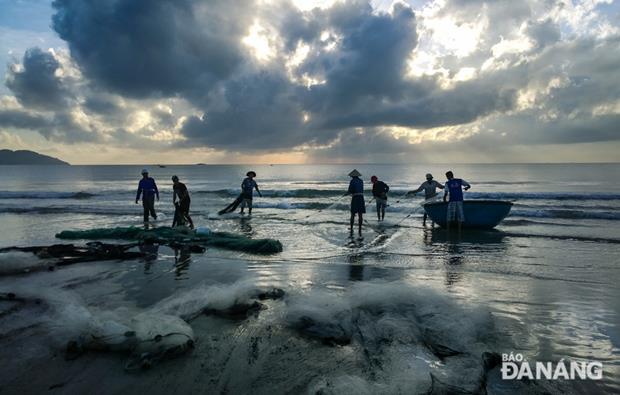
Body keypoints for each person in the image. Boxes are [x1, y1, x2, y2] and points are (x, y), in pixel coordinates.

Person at [346, 169, 365, 237]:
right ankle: (359, 229)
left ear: (353, 176)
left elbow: (350, 190)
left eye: (351, 176)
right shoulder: (361, 181)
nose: (351, 177)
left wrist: (346, 194)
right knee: (360, 214)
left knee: (353, 213)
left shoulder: (352, 181)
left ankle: (351, 228)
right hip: (361, 197)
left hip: (355, 198)